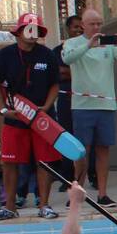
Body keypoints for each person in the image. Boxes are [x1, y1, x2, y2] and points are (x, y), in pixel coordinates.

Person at [61, 7, 117, 207]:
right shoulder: (72, 43)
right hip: (82, 106)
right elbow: (67, 59)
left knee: (103, 150)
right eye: (92, 23)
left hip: (106, 105)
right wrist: (88, 45)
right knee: (81, 152)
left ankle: (102, 194)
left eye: (99, 23)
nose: (96, 27)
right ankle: (77, 194)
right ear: (83, 25)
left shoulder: (108, 45)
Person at [0, 12, 60, 221]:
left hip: (42, 119)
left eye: (36, 29)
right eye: (28, 29)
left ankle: (44, 205)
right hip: (15, 118)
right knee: (10, 163)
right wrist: (3, 110)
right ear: (18, 32)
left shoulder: (47, 55)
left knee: (44, 162)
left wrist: (46, 107)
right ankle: (10, 206)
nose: (32, 33)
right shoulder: (5, 55)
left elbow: (55, 84)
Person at [49, 14, 82, 191]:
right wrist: (74, 72)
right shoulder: (57, 50)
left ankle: (88, 175)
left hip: (84, 99)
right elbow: (58, 73)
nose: (78, 30)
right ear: (68, 29)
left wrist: (70, 71)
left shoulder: (88, 48)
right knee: (66, 136)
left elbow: (76, 73)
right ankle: (67, 177)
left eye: (81, 26)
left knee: (85, 138)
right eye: (75, 27)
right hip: (64, 99)